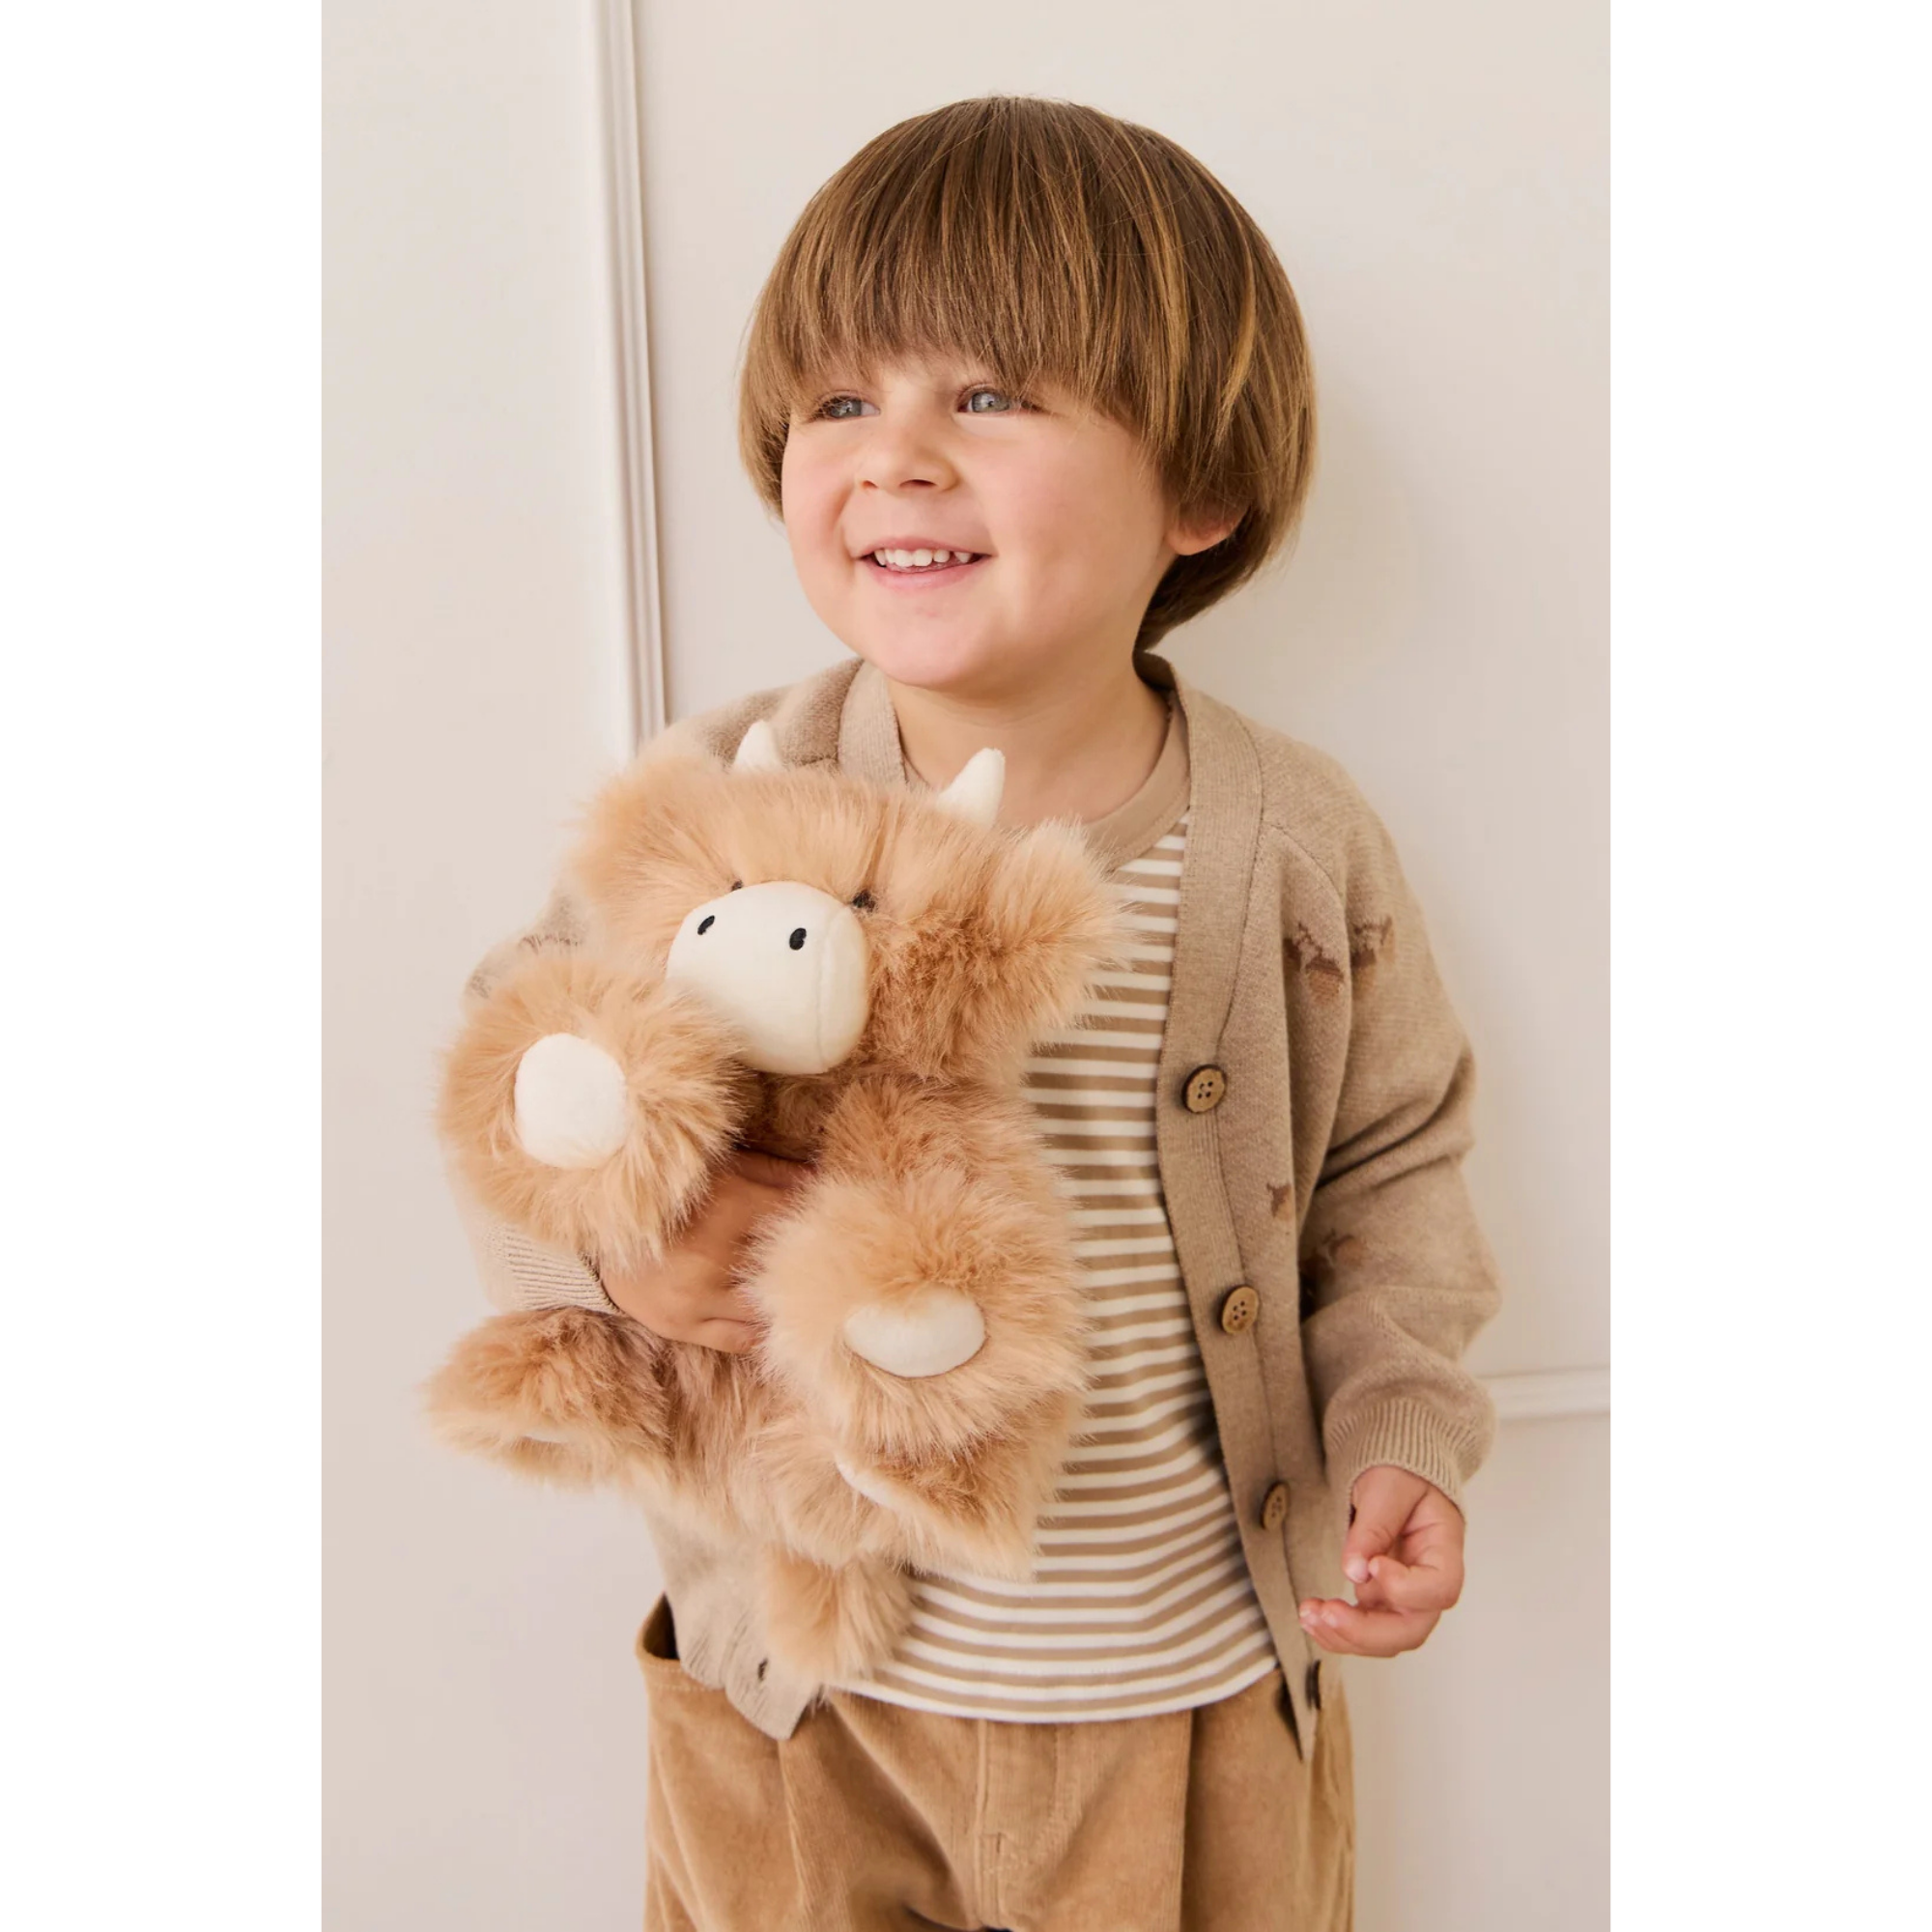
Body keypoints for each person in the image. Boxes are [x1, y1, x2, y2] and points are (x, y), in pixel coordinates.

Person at [450, 95, 1500, 1932]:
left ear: (1201, 487)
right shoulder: (719, 797)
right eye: (840, 404)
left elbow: (1393, 1168)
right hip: (810, 1704)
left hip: (1192, 1704)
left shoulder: (1295, 841)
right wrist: (619, 1277)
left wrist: (1398, 1430)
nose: (896, 459)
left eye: (992, 397)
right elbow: (524, 1082)